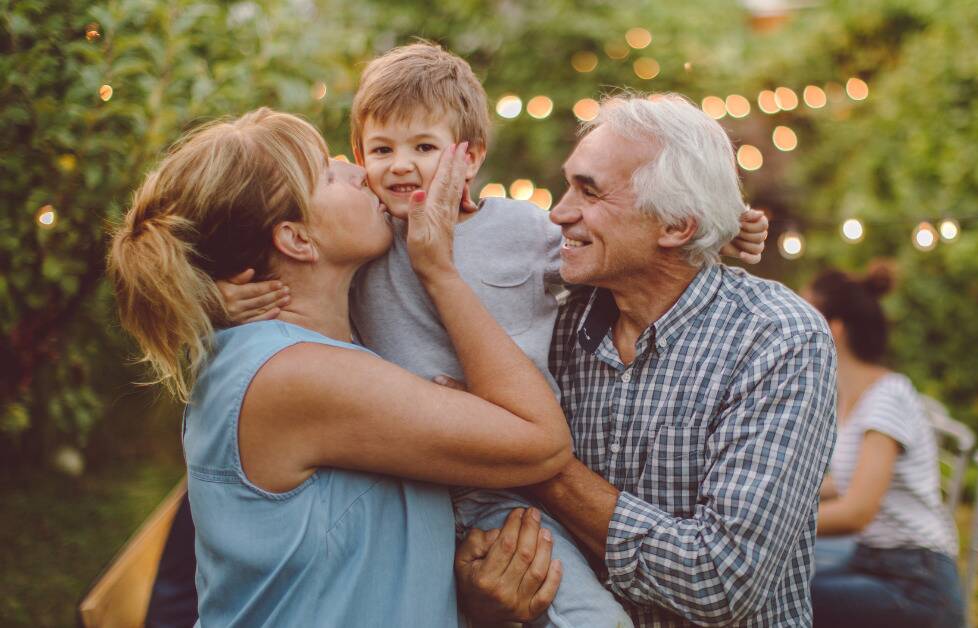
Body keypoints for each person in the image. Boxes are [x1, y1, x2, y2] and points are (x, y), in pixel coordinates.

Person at [212, 43, 768, 627]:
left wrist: (712, 232)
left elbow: (615, 250)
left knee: (591, 616)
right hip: (414, 474)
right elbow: (277, 275)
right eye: (380, 151)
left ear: (469, 156)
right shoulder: (369, 242)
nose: (400, 166)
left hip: (506, 484)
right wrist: (217, 297)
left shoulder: (520, 229)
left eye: (423, 148)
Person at [108, 108, 573, 625]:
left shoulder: (294, 353)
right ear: (297, 240)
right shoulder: (294, 374)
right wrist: (438, 271)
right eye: (328, 174)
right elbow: (541, 442)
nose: (359, 172)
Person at [454, 94, 839, 627]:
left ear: (677, 224)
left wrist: (528, 453)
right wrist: (484, 595)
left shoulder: (776, 339)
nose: (559, 213)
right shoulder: (551, 320)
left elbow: (722, 580)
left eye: (589, 191)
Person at [805, 266, 965, 627]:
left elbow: (857, 511)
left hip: (916, 583)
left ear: (834, 328)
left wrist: (769, 522)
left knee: (775, 599)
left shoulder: (887, 397)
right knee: (781, 578)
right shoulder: (849, 396)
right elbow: (847, 481)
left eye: (802, 312)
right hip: (875, 559)